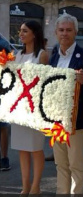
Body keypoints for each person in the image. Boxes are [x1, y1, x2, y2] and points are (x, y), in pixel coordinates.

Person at [50, 13, 83, 194]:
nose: (65, 33)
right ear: (56, 32)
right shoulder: (54, 55)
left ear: (75, 32)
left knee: (75, 163)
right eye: (61, 30)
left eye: (68, 30)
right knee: (60, 163)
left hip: (75, 119)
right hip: (55, 119)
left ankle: (75, 193)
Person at [11, 21, 49, 194]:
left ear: (34, 34)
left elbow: (45, 84)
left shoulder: (42, 55)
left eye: (25, 31)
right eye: (21, 31)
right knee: (22, 148)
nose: (21, 34)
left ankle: (36, 185)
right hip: (18, 107)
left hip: (34, 108)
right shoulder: (16, 54)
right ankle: (25, 185)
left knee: (35, 148)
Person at [0, 37, 12, 171]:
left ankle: (4, 158)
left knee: (3, 126)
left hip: (2, 90)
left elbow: (10, 67)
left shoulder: (2, 44)